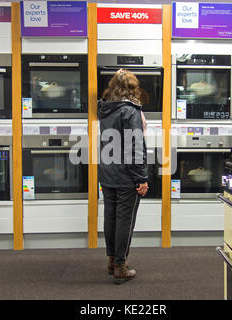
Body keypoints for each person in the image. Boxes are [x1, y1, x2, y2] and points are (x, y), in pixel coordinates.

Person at [97, 69, 149, 285]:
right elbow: (134, 146)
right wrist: (141, 178)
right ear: (132, 89)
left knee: (111, 216)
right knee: (124, 220)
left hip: (107, 172)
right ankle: (120, 265)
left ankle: (111, 260)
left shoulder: (105, 108)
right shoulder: (129, 111)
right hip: (126, 175)